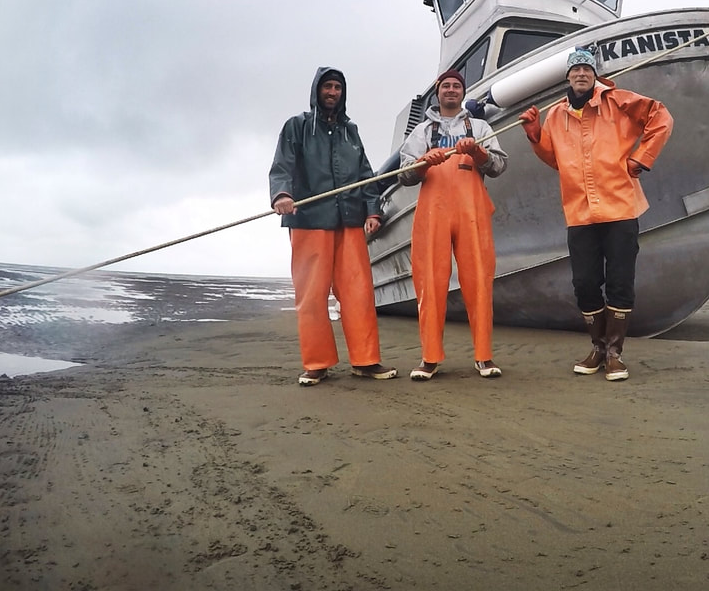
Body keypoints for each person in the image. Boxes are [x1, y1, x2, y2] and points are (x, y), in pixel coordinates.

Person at [518, 48, 673, 381]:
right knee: (585, 284)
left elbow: (661, 117)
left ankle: (614, 353)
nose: (581, 74)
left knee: (620, 282)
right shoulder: (556, 115)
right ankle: (598, 347)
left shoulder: (618, 100)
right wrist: (534, 135)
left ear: (595, 74)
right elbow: (555, 158)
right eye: (576, 70)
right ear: (568, 77)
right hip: (579, 212)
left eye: (587, 69)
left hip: (620, 207)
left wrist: (641, 157)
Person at [269, 66, 397, 386]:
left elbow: (367, 176)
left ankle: (366, 360)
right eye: (327, 87)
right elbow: (282, 166)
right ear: (317, 90)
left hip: (349, 220)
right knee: (312, 295)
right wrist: (282, 195)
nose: (332, 93)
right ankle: (317, 363)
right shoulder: (296, 126)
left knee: (358, 293)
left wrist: (372, 211)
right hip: (309, 220)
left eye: (338, 88)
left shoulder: (350, 132)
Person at [399, 68, 508, 380]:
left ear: (463, 92)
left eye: (456, 86)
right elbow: (405, 175)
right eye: (445, 86)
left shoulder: (481, 125)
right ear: (438, 92)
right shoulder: (422, 131)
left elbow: (499, 166)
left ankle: (484, 357)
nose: (451, 90)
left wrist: (478, 151)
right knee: (430, 283)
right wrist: (423, 164)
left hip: (472, 212)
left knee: (479, 281)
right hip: (433, 213)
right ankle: (429, 358)